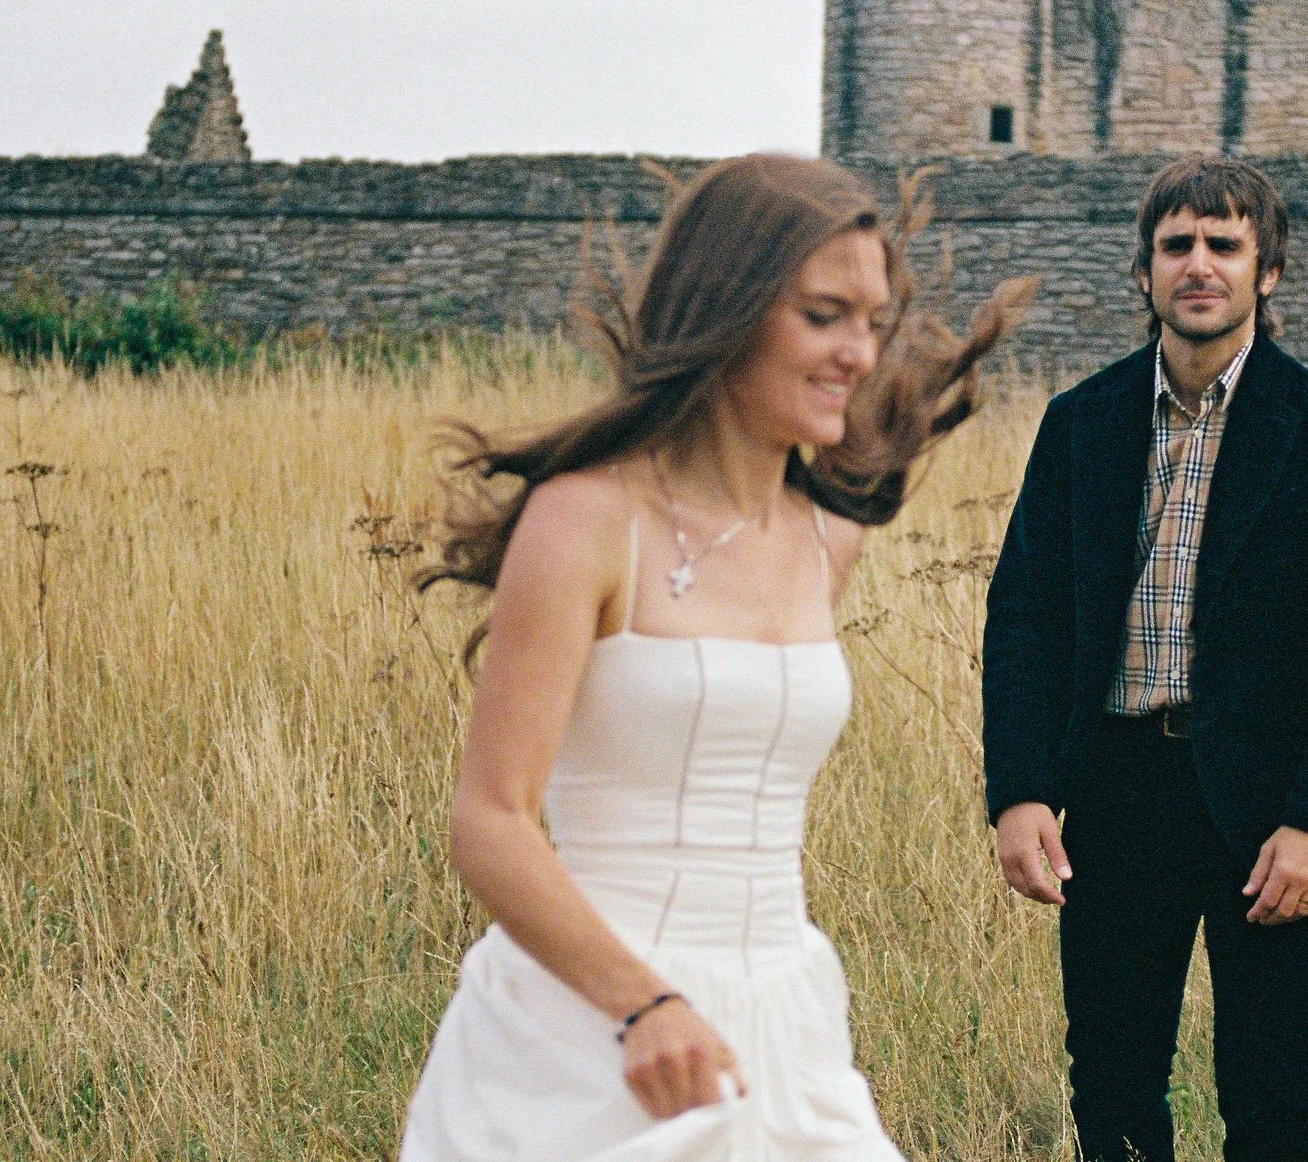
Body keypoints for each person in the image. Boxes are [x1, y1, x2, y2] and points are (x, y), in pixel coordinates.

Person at [401, 153, 1030, 1161]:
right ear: (726, 310)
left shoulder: (832, 536)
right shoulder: (586, 520)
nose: (859, 354)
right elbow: (490, 819)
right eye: (824, 315)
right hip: (595, 1025)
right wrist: (642, 1003)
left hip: (785, 1010)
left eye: (870, 321)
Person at [981, 154, 1308, 1162]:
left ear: (1267, 271)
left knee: (1273, 1096)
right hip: (1117, 789)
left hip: (1269, 806)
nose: (1198, 264)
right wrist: (1020, 791)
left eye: (1224, 243)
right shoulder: (1079, 422)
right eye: (1176, 244)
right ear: (1143, 272)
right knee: (1113, 1090)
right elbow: (1025, 619)